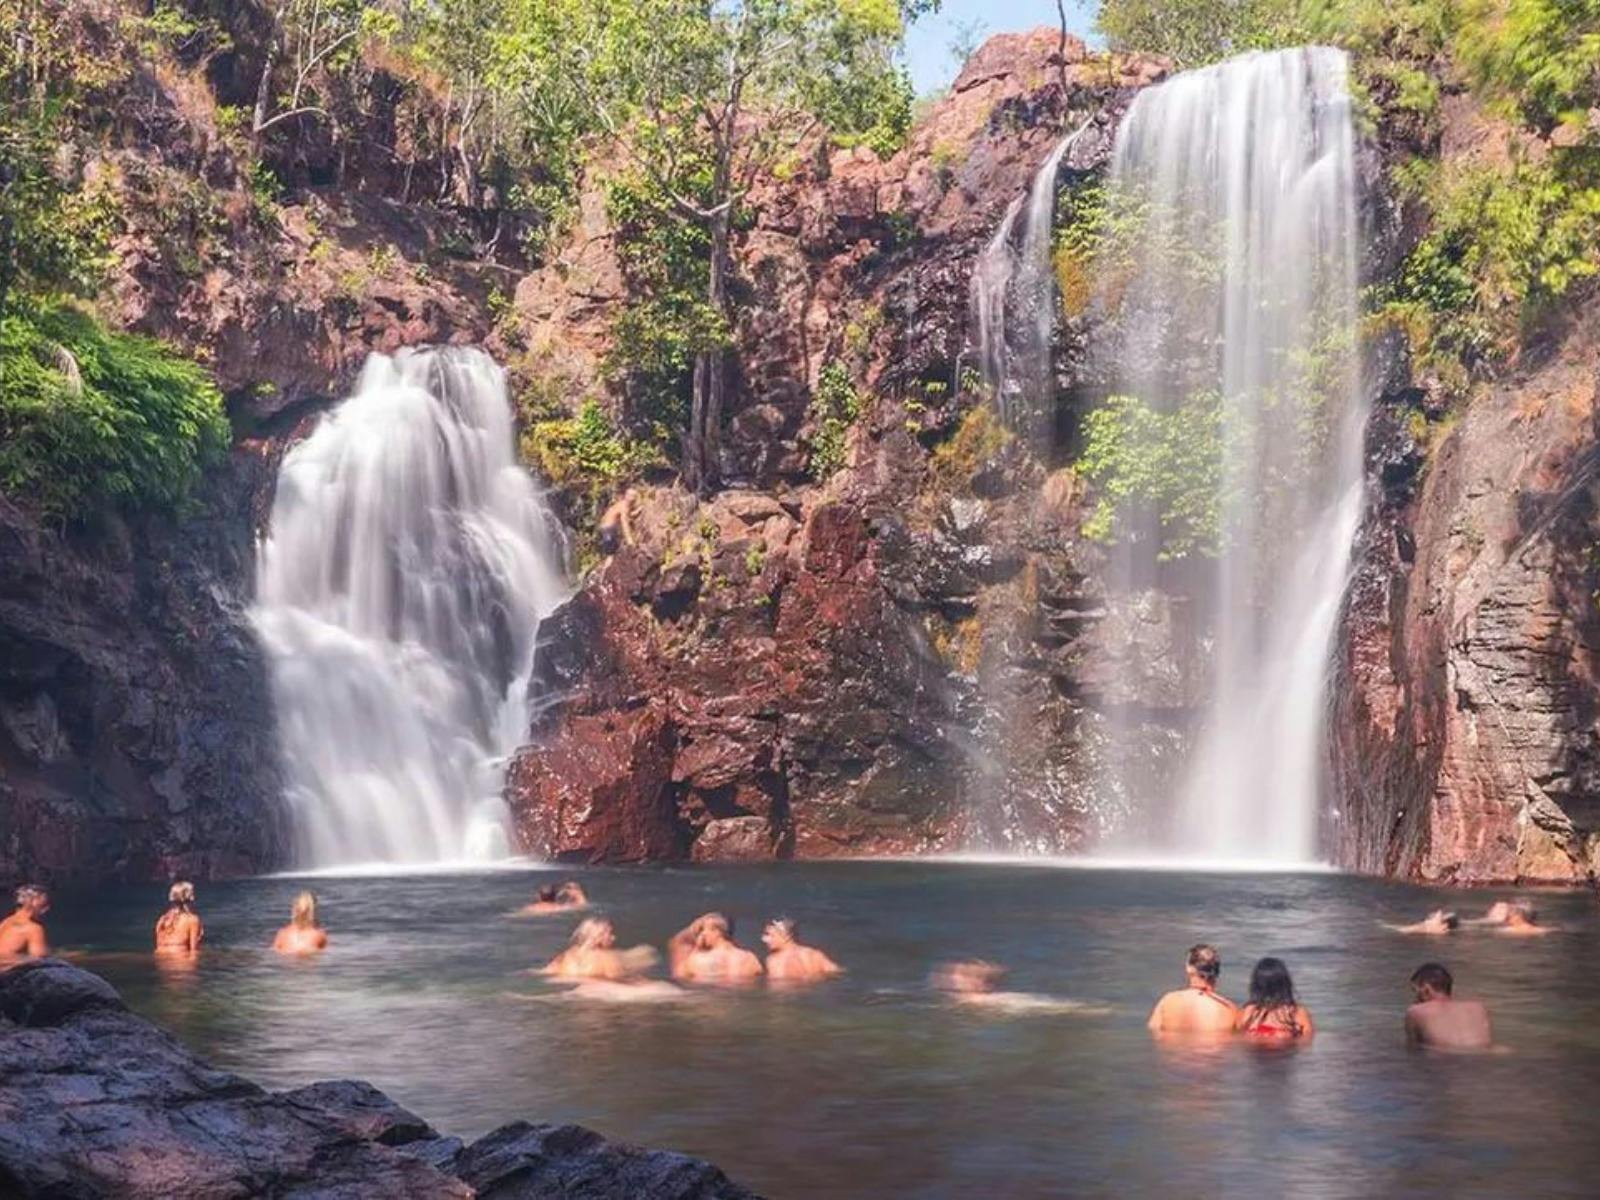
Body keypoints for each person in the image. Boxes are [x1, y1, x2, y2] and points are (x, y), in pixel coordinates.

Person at [1147, 944, 1237, 1036]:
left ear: (1189, 969)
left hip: (1174, 1049)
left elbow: (1154, 1033)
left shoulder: (1168, 1001)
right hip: (1211, 1049)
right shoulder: (1230, 1010)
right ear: (1217, 971)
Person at [1405, 962, 1493, 1050]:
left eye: (1415, 991)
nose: (1415, 999)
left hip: (1447, 1057)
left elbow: (1413, 1048)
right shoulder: (1478, 1008)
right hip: (1487, 1055)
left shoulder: (1415, 1011)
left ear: (1426, 989)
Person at [541, 917, 656, 981]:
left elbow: (545, 973)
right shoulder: (606, 957)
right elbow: (617, 979)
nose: (614, 938)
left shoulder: (566, 955)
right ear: (599, 937)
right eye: (610, 934)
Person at [1235, 957, 1315, 1040]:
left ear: (1256, 985)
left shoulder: (1247, 1012)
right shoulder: (1296, 1012)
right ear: (1285, 984)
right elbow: (1307, 1041)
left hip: (1255, 1051)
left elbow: (1238, 1039)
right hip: (1286, 1051)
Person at [669, 913, 763, 983]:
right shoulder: (750, 958)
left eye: (703, 929)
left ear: (716, 932)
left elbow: (679, 976)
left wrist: (696, 949)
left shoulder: (699, 960)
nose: (702, 934)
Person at [762, 918, 843, 983]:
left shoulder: (772, 960)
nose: (764, 939)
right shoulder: (813, 955)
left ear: (786, 936)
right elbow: (839, 974)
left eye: (770, 935)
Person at [0, 885, 50, 960]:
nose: (46, 909)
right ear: (34, 903)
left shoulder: (5, 922)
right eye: (43, 906)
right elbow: (39, 959)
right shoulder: (33, 929)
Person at [154, 881, 204, 954]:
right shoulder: (192, 920)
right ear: (191, 898)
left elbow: (158, 944)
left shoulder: (162, 919)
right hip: (180, 960)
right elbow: (194, 950)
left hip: (160, 958)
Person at [272, 891, 329, 955]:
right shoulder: (319, 935)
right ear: (313, 912)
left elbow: (274, 952)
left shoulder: (282, 934)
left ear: (294, 910)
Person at [519, 880, 589, 916]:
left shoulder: (531, 908)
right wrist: (577, 891)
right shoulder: (561, 907)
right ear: (555, 897)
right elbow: (582, 905)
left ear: (539, 896)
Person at [1391, 909, 1460, 935]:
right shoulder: (1441, 929)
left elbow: (1441, 913)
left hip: (1410, 930)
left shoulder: (1441, 928)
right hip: (1411, 929)